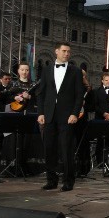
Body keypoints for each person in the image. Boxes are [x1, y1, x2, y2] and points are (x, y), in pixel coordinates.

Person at [35, 42, 86, 192]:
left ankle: (68, 181)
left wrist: (75, 113)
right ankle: (51, 180)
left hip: (67, 115)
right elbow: (41, 93)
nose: (67, 54)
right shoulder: (47, 70)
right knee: (49, 148)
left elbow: (79, 95)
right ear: (56, 51)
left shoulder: (75, 71)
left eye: (69, 52)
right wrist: (41, 113)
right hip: (49, 114)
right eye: (64, 51)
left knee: (66, 149)